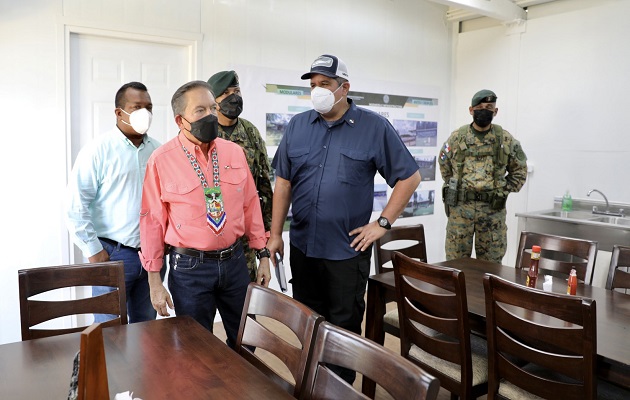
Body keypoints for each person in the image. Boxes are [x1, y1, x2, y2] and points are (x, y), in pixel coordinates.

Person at [268, 54, 421, 383]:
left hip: (346, 250)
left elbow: (409, 178)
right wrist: (275, 234)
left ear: (344, 88)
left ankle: (338, 390)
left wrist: (382, 224)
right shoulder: (298, 126)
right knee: (308, 323)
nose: (317, 91)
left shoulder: (373, 127)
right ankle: (310, 384)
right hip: (305, 248)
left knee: (343, 331)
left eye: (325, 84)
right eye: (312, 85)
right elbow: (283, 183)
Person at [139, 80, 271, 347]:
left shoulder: (234, 152)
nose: (210, 115)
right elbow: (152, 222)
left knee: (246, 340)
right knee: (196, 349)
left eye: (212, 107)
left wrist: (263, 255)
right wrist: (155, 281)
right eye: (200, 110)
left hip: (235, 262)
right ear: (180, 120)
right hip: (190, 269)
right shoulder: (161, 160)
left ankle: (240, 390)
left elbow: (250, 205)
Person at [66, 81, 161, 323]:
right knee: (109, 332)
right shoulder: (97, 150)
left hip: (151, 257)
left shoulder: (158, 151)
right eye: (137, 107)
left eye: (148, 107)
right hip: (112, 254)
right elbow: (76, 206)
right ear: (119, 112)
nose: (145, 113)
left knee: (146, 331)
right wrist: (94, 253)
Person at [438, 89, 528, 263]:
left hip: (492, 212)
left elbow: (519, 171)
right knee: (455, 264)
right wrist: (456, 185)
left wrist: (502, 189)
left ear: (495, 111)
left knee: (491, 267)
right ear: (471, 110)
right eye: (479, 107)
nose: (484, 110)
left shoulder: (505, 140)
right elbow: (444, 165)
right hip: (460, 211)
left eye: (489, 107)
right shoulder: (457, 138)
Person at [207, 70, 273, 282]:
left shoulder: (249, 131)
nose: (233, 97)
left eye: (236, 91)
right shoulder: (204, 131)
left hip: (245, 234)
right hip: (209, 234)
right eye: (225, 93)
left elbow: (264, 183)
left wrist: (267, 232)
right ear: (213, 100)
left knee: (245, 300)